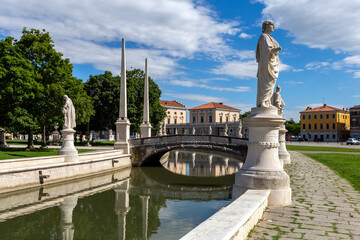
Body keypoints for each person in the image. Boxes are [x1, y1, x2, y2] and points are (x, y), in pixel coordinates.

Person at [256, 20, 282, 108]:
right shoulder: (264, 37)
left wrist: (275, 50)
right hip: (266, 64)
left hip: (272, 64)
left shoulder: (270, 38)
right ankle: (263, 101)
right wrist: (276, 49)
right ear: (267, 26)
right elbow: (266, 51)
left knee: (271, 83)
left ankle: (268, 102)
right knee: (265, 82)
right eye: (272, 25)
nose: (273, 27)